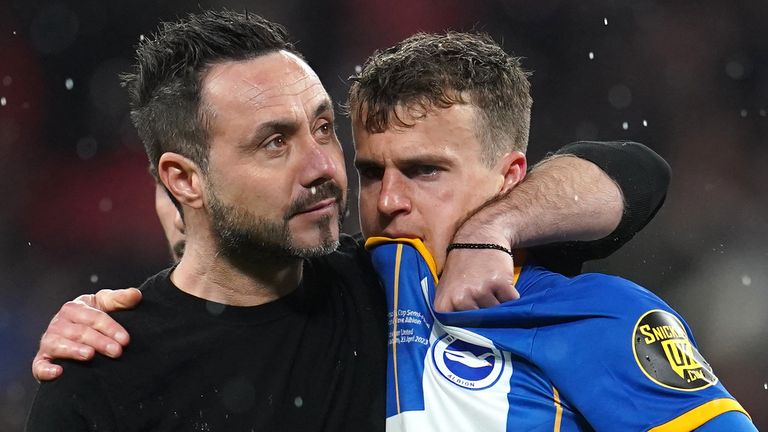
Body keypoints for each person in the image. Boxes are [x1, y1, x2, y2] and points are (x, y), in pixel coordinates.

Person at [26, 10, 670, 431]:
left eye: (324, 128)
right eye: (274, 142)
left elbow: (636, 175)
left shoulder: (396, 280)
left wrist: (492, 229)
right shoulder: (103, 370)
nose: (322, 166)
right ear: (184, 180)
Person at [348, 32, 755, 430]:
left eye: (425, 171)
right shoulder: (328, 300)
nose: (387, 201)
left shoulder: (595, 315)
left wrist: (491, 228)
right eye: (370, 173)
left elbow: (642, 170)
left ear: (508, 177)